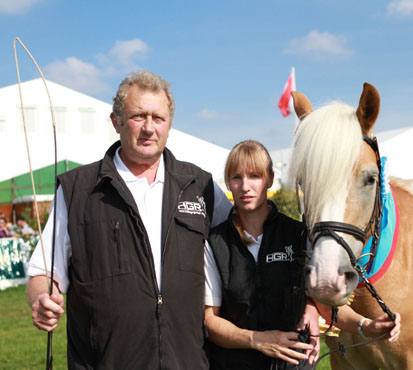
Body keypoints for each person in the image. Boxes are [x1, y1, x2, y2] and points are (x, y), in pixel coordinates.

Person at [26, 70, 232, 369]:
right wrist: (42, 298)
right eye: (138, 116)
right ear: (116, 121)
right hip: (105, 361)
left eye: (158, 118)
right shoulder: (78, 190)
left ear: (169, 125)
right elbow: (45, 271)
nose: (149, 128)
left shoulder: (201, 187)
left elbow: (244, 247)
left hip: (188, 359)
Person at [204, 140, 320, 370]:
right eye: (236, 177)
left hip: (295, 363)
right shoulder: (214, 242)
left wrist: (363, 324)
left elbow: (326, 296)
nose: (245, 186)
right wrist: (257, 340)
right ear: (228, 182)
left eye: (254, 176)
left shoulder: (298, 234)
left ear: (270, 179)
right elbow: (210, 321)